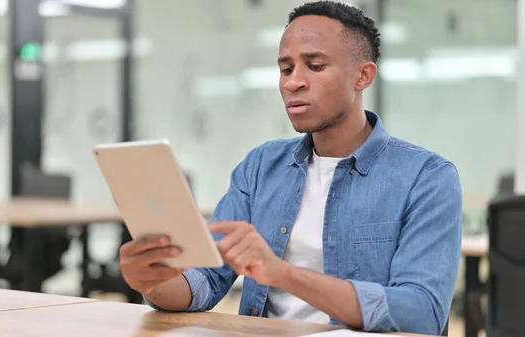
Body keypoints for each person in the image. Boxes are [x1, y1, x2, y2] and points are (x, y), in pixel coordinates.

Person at [118, 1, 462, 335]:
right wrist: (155, 280)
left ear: (363, 76)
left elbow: (422, 312)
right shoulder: (260, 166)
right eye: (285, 68)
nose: (292, 82)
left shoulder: (426, 177)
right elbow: (205, 281)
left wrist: (282, 274)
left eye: (314, 66)